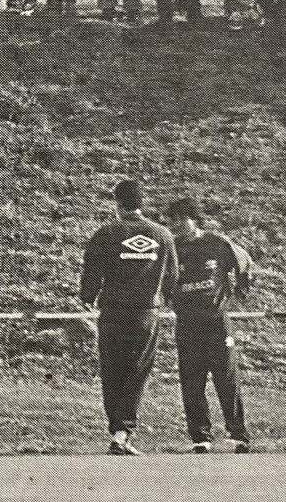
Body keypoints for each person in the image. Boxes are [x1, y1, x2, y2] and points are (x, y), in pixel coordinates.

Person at [79, 180, 178, 456]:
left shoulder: (107, 233)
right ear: (141, 203)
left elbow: (91, 270)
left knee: (112, 370)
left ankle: (117, 430)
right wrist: (164, 299)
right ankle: (123, 432)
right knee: (137, 372)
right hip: (145, 314)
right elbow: (172, 275)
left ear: (118, 204)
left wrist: (87, 296)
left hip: (113, 313)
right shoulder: (162, 235)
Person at [165, 198, 251, 454]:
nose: (177, 224)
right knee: (192, 382)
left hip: (216, 323)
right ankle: (200, 437)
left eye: (182, 218)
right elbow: (159, 274)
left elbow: (244, 261)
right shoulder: (172, 246)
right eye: (173, 220)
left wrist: (242, 287)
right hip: (187, 324)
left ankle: (238, 435)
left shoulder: (217, 242)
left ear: (195, 218)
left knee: (227, 380)